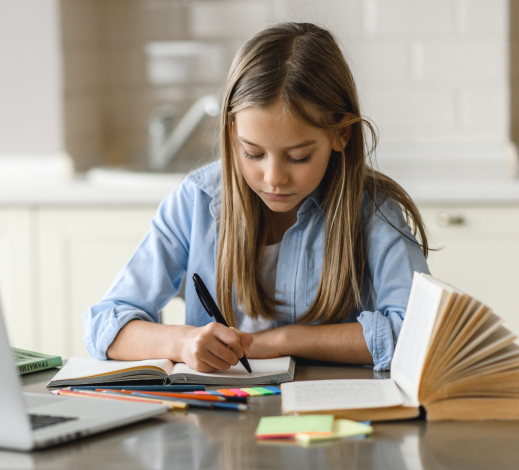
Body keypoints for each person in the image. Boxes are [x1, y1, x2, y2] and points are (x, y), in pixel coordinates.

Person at [83, 22, 430, 372]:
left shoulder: (373, 213)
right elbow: (105, 325)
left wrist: (283, 341)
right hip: (219, 417)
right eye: (253, 153)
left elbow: (418, 334)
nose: (274, 178)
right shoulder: (197, 203)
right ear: (233, 132)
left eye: (298, 157)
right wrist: (183, 342)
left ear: (341, 135)